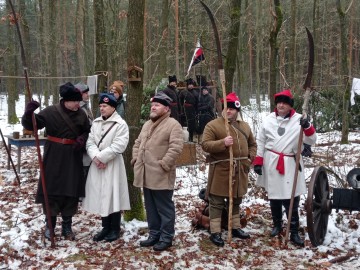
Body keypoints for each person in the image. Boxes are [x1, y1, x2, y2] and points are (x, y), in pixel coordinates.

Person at [21, 82, 90, 240]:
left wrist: (82, 139)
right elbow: (32, 125)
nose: (78, 105)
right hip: (53, 156)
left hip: (73, 157)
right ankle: (49, 225)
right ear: (66, 101)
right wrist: (28, 112)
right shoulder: (51, 111)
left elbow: (87, 131)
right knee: (51, 189)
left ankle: (67, 227)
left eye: (79, 102)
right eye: (75, 102)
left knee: (71, 190)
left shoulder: (81, 114)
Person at [253, 89, 317, 247]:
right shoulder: (268, 119)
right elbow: (260, 141)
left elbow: (312, 139)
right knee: (274, 196)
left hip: (290, 163)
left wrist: (307, 126)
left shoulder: (299, 120)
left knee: (291, 198)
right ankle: (277, 225)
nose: (281, 105)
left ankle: (293, 230)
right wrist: (258, 161)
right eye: (279, 102)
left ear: (290, 106)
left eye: (284, 103)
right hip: (272, 162)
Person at [201, 92, 257, 247]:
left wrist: (249, 158)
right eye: (226, 108)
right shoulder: (213, 125)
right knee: (217, 202)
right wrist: (222, 143)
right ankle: (215, 232)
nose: (229, 111)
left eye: (232, 108)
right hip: (220, 169)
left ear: (237, 110)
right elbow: (205, 144)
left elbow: (253, 144)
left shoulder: (244, 126)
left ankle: (236, 227)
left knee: (237, 200)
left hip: (240, 170)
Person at [132, 91, 183, 251]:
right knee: (151, 207)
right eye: (152, 105)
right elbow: (137, 142)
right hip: (145, 173)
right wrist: (135, 159)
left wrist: (164, 164)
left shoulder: (173, 124)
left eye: (157, 105)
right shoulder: (147, 124)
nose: (153, 107)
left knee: (164, 208)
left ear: (166, 108)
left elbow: (176, 147)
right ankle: (154, 235)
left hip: (161, 174)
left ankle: (166, 237)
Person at [82, 93, 130, 242]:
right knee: (101, 194)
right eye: (100, 106)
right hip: (98, 165)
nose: (102, 109)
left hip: (113, 165)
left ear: (113, 108)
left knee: (112, 195)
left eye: (105, 106)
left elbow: (119, 145)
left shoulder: (120, 124)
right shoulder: (95, 123)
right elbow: (89, 142)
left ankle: (115, 228)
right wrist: (96, 158)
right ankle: (105, 227)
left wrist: (102, 158)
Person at [75, 82, 93, 179]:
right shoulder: (77, 109)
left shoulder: (86, 107)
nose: (88, 95)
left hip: (88, 147)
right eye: (86, 93)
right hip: (81, 150)